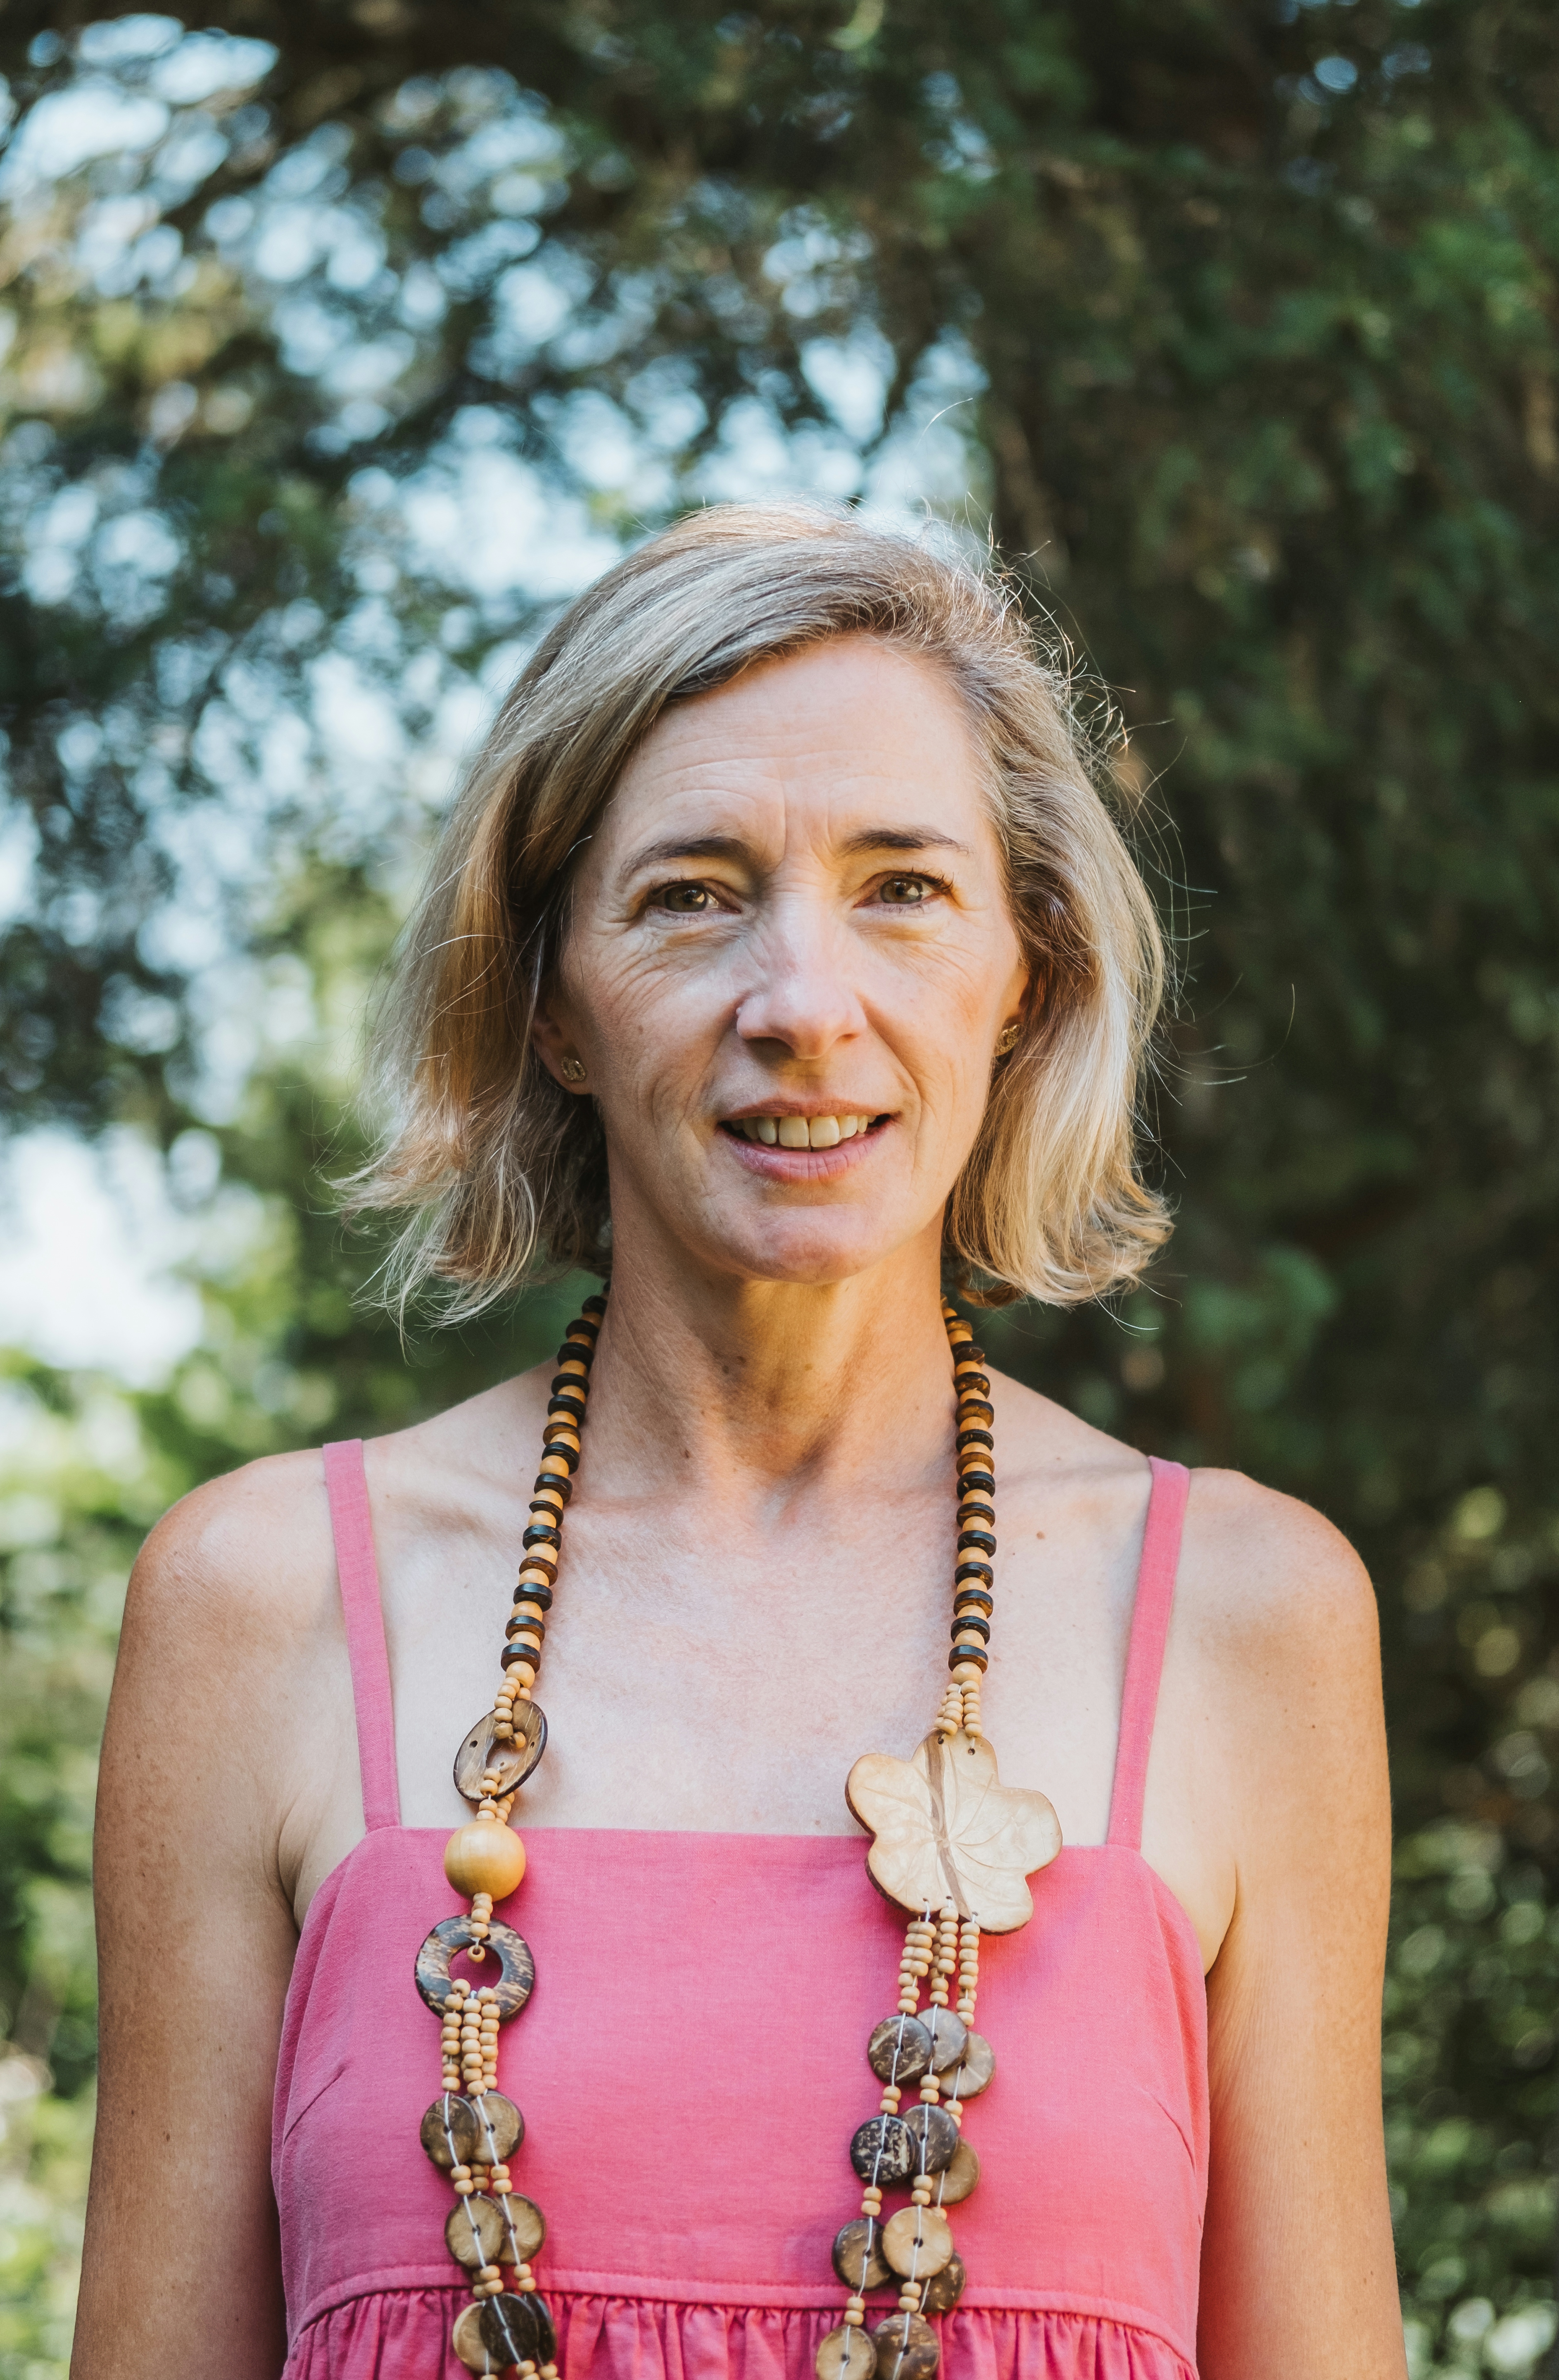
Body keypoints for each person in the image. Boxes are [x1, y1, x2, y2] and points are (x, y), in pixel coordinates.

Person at [77, 503, 1404, 2380]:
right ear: (548, 1003)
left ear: (1022, 975)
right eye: (692, 894)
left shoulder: (1248, 1616)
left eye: (904, 888)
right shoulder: (262, 1601)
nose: (803, 1005)